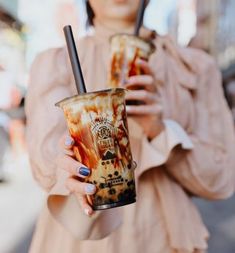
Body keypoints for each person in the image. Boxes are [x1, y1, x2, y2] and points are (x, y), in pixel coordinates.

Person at [25, 1, 235, 252]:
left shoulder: (195, 66)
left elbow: (221, 180)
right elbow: (45, 166)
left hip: (162, 238)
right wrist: (69, 169)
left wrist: (160, 130)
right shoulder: (54, 63)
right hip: (79, 240)